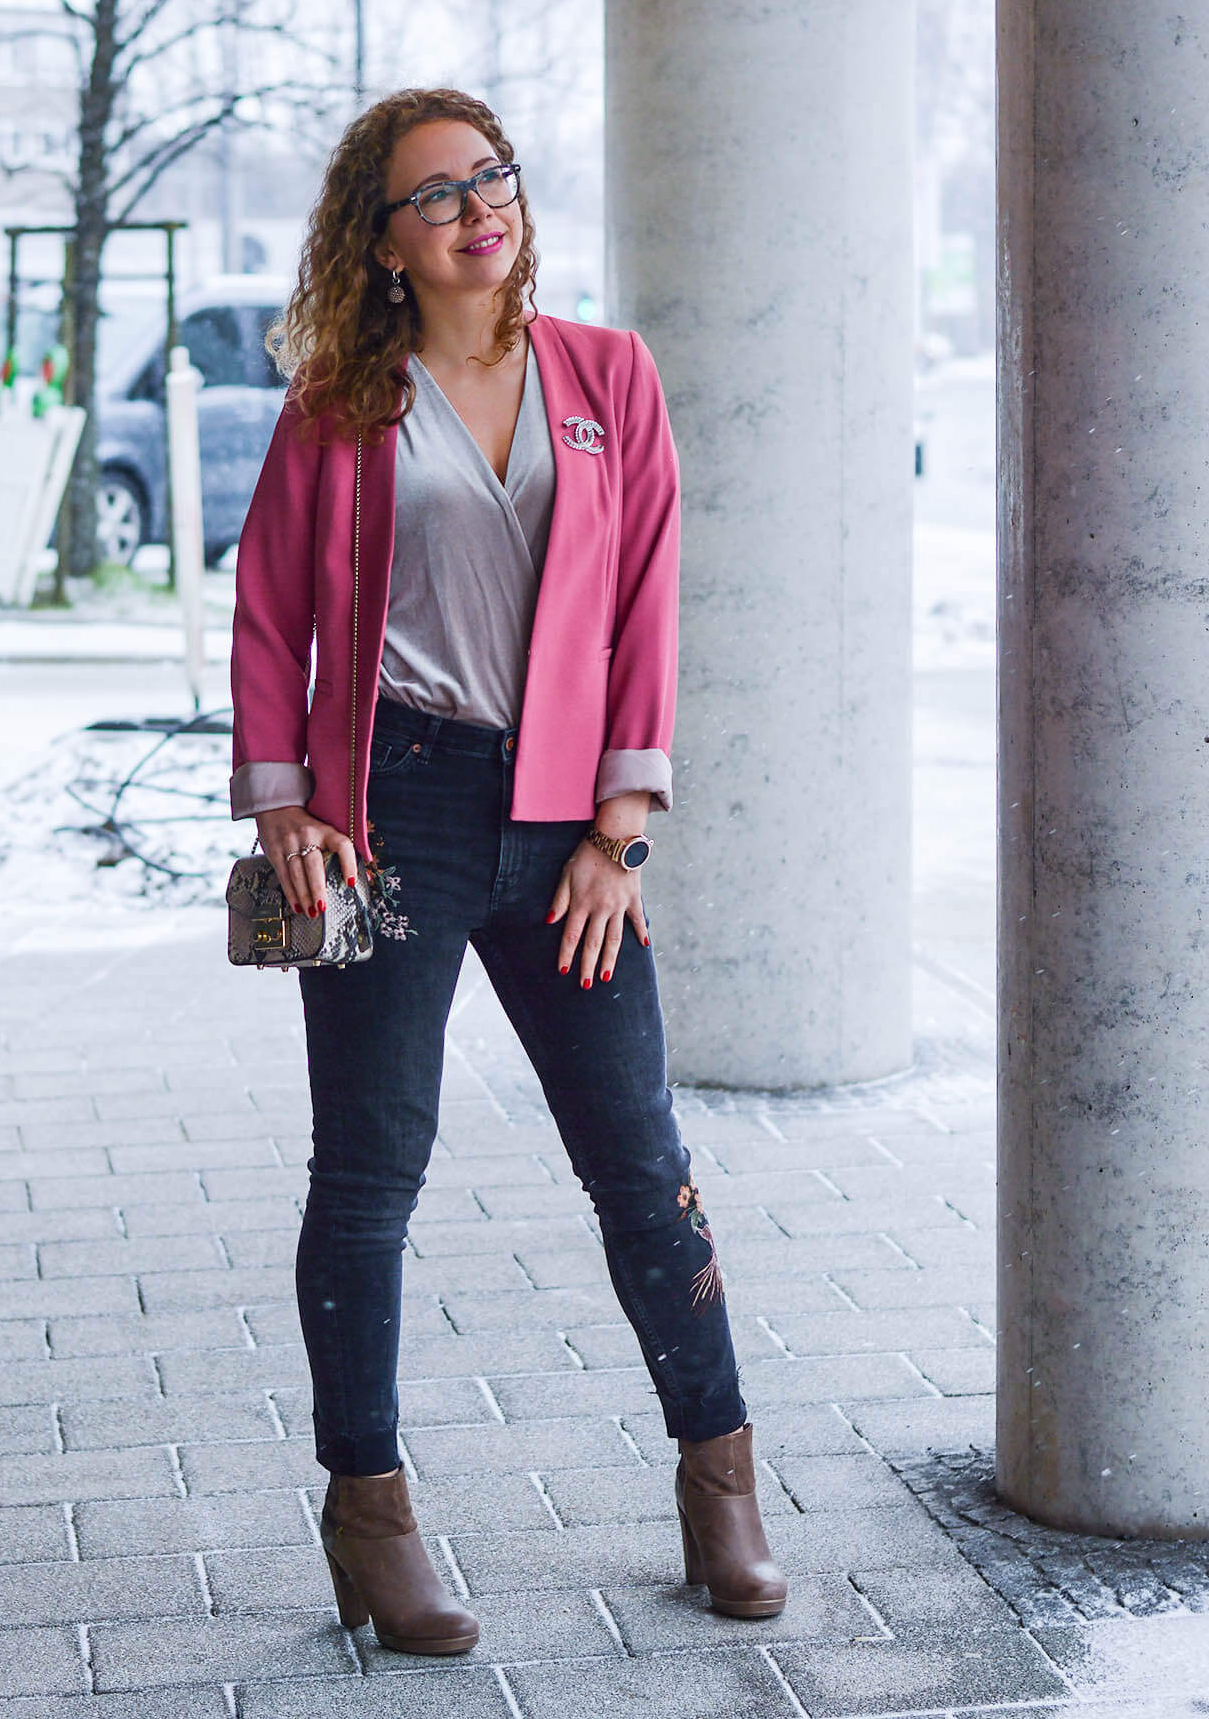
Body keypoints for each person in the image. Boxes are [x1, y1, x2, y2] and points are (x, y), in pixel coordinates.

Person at [229, 86, 786, 1657]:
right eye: (436, 194)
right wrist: (284, 807)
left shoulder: (610, 378)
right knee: (368, 1178)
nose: (481, 208)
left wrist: (621, 830)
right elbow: (272, 614)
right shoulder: (343, 399)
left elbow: (647, 610)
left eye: (493, 178)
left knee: (640, 1162)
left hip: (566, 840)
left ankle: (723, 1483)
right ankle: (372, 1514)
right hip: (389, 823)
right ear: (385, 241)